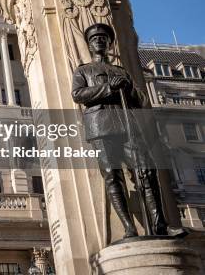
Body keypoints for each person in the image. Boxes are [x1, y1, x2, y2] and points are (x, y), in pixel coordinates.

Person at [71, 23, 177, 238]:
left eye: (103, 38)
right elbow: (78, 94)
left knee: (146, 172)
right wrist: (109, 88)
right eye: (95, 38)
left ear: (109, 43)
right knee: (112, 175)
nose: (99, 41)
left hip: (128, 124)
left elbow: (142, 99)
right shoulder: (83, 70)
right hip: (100, 126)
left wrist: (127, 87)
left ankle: (160, 226)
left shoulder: (122, 72)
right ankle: (129, 227)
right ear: (90, 45)